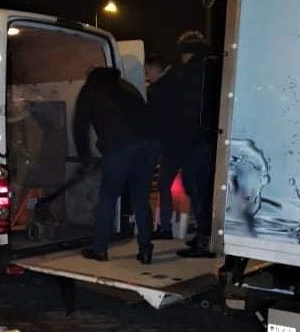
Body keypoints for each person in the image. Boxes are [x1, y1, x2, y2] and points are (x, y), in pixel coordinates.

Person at [73, 67, 157, 264]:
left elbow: (80, 127)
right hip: (149, 145)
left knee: (108, 198)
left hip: (120, 147)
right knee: (140, 198)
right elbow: (145, 114)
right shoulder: (127, 87)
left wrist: (85, 159)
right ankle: (145, 250)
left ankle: (100, 249)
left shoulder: (90, 90)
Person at [172, 30, 222, 258]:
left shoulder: (191, 72)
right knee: (204, 190)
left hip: (194, 141)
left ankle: (204, 239)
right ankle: (205, 235)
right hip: (208, 139)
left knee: (197, 189)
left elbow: (184, 112)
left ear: (187, 52)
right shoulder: (212, 68)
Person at [145, 53, 181, 239]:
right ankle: (166, 226)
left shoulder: (159, 90)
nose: (147, 76)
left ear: (156, 69)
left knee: (163, 184)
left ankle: (164, 227)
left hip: (169, 144)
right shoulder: (177, 83)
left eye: (148, 71)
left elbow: (156, 119)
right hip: (179, 142)